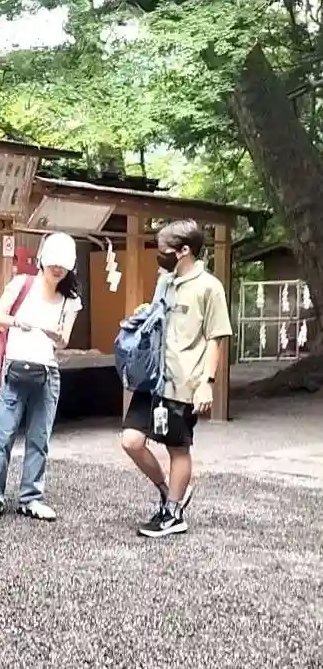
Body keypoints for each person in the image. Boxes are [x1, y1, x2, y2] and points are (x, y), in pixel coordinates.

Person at [121, 219, 231, 538]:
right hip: (154, 378)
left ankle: (172, 514)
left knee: (177, 449)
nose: (160, 255)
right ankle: (169, 492)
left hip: (185, 383)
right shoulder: (165, 282)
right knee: (131, 440)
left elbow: (216, 338)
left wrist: (207, 382)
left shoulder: (210, 287)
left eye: (164, 250)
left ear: (184, 251)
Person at [0, 232, 82, 523]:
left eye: (63, 266)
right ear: (43, 261)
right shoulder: (22, 284)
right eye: (53, 264)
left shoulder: (70, 300)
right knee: (2, 437)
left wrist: (56, 335)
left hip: (47, 372)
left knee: (39, 438)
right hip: (15, 368)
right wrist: (18, 322)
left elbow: (64, 341)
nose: (57, 270)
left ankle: (31, 498)